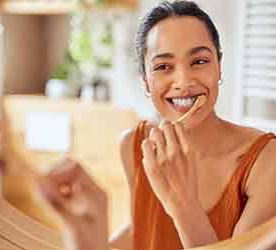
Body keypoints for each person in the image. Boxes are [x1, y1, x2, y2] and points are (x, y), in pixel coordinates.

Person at [38, 1, 276, 250]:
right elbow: (141, 229)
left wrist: (184, 205)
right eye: (163, 67)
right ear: (145, 81)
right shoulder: (134, 144)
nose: (183, 82)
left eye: (199, 61)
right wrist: (87, 235)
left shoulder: (266, 160)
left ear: (219, 67)